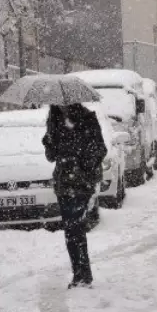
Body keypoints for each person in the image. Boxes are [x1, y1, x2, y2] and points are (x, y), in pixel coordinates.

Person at [43, 103, 107, 288]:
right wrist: (49, 140)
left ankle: (83, 274)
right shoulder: (54, 119)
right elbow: (51, 155)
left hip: (81, 182)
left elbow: (100, 149)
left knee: (75, 226)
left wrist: (82, 158)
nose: (62, 106)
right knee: (71, 229)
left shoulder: (87, 118)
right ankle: (79, 274)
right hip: (64, 183)